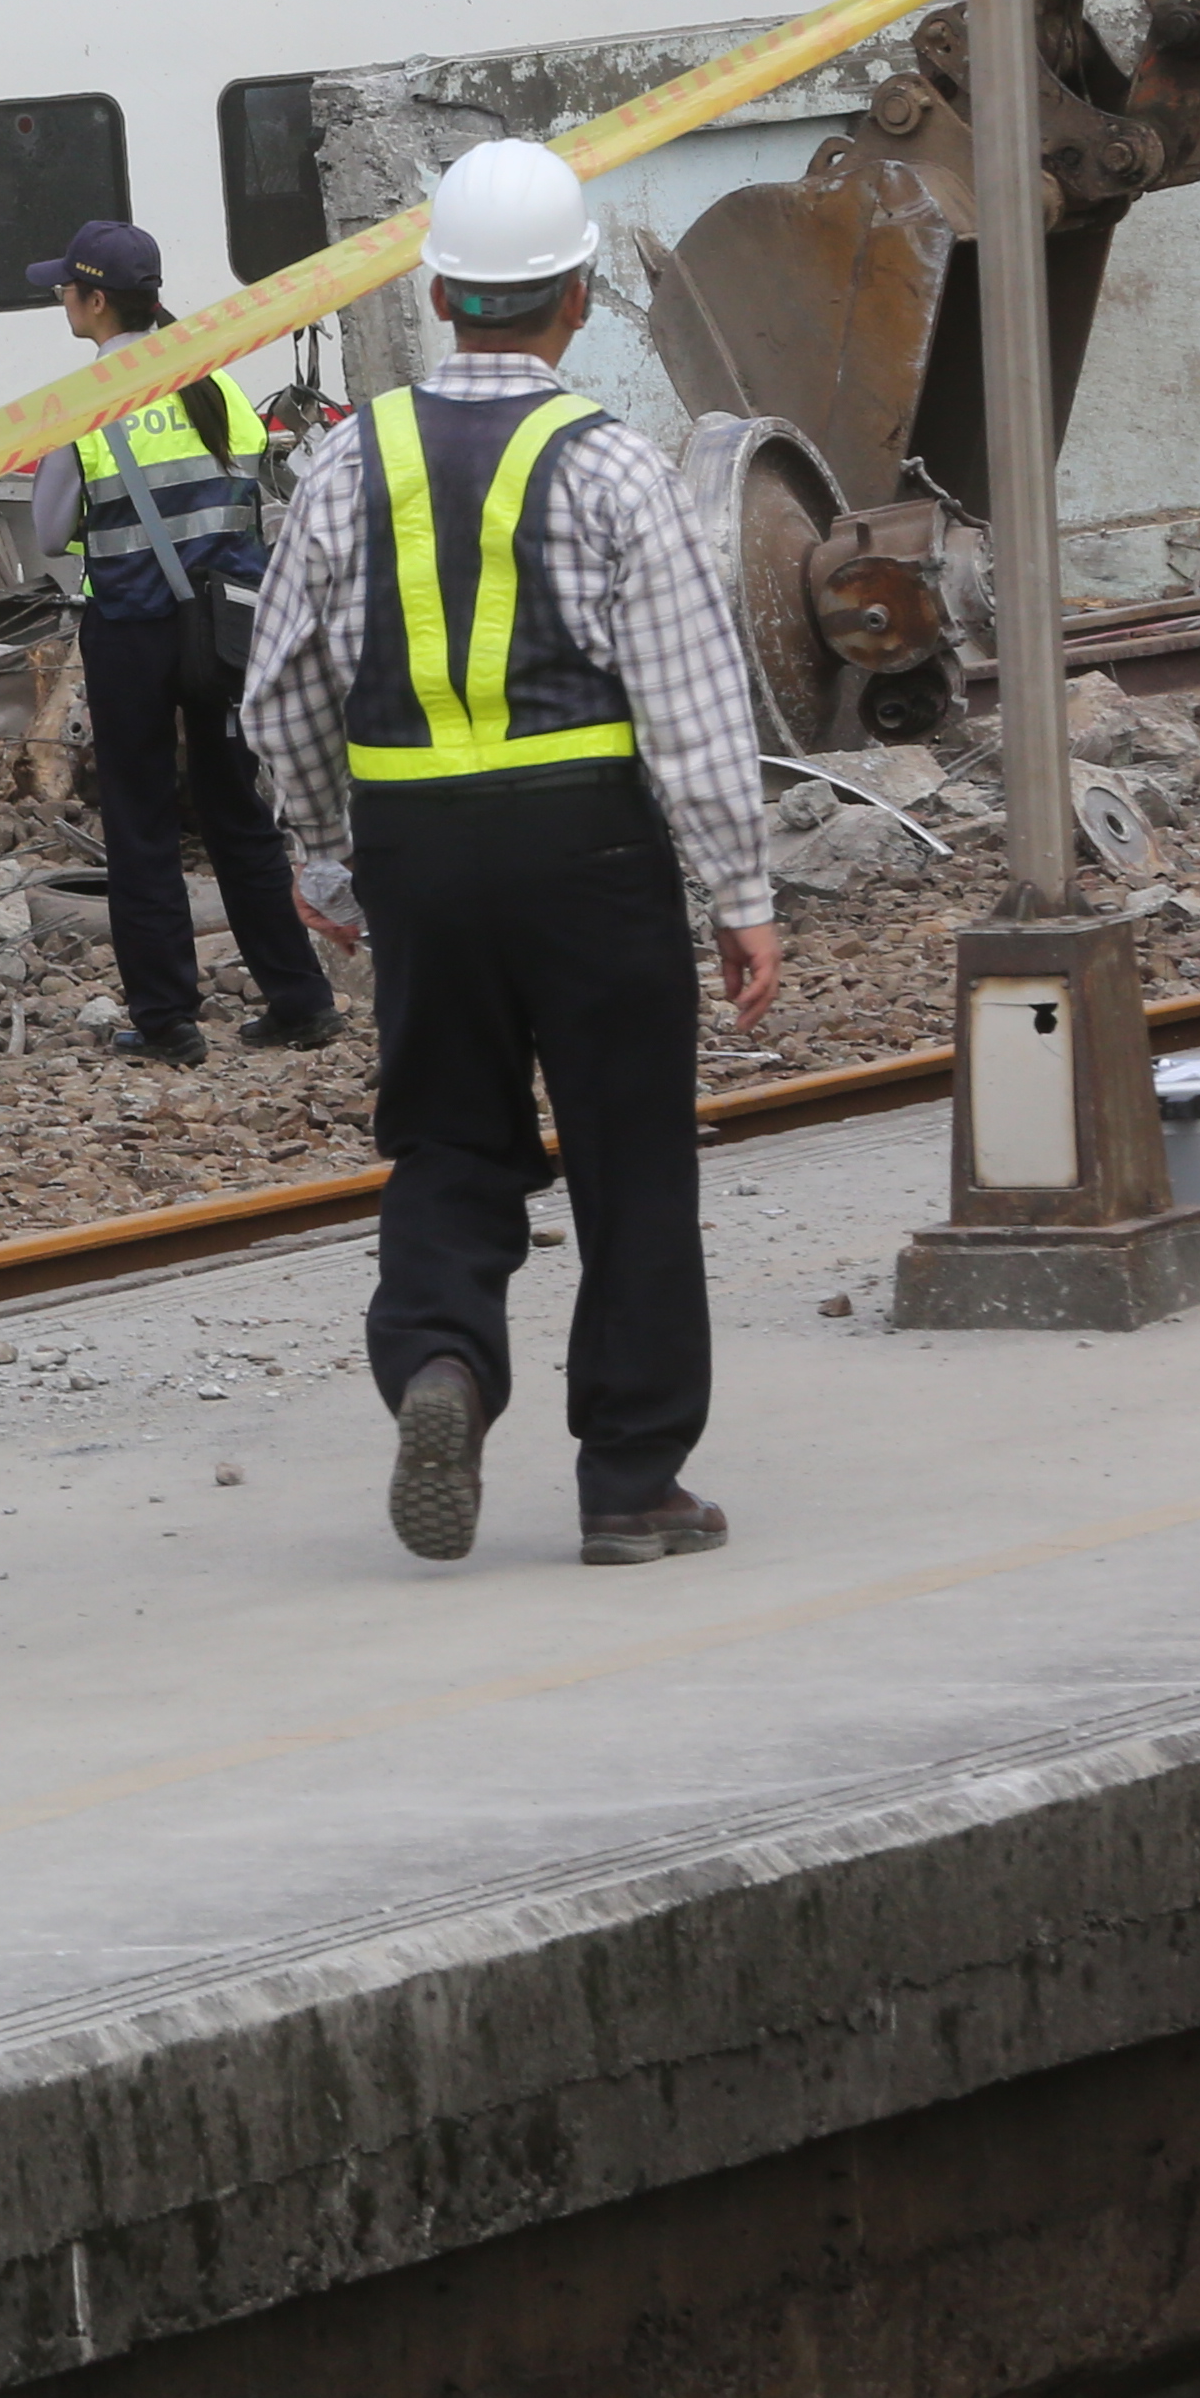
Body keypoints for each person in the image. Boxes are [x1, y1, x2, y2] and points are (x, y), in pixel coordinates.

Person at [237, 140, 781, 1570]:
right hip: (587, 847)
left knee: (449, 1137)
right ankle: (630, 1483)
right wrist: (743, 891)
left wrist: (323, 853)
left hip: (418, 850)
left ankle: (440, 1363)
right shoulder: (611, 467)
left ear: (434, 296)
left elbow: (278, 688)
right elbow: (693, 701)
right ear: (580, 299)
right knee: (631, 1158)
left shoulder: (347, 461)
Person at [16, 219, 341, 1068]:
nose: (61, 297)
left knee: (142, 825)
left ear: (93, 300)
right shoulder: (218, 386)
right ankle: (301, 1001)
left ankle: (168, 1020)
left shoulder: (81, 407)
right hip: (225, 630)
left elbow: (51, 534)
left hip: (131, 631)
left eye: (67, 287)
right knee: (240, 815)